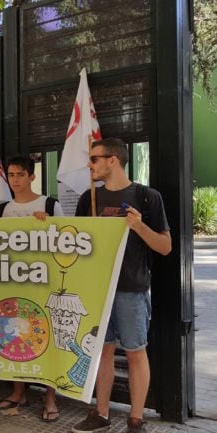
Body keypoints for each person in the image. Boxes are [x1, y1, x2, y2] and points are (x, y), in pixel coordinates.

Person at [71, 138, 171, 433]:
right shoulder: (87, 198)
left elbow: (165, 247)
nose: (89, 165)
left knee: (135, 352)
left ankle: (135, 421)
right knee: (102, 352)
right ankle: (101, 414)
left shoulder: (147, 196)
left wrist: (139, 226)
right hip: (98, 289)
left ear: (112, 160)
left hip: (132, 289)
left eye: (94, 159)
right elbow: (74, 244)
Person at [0, 155, 63, 422]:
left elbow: (67, 240)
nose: (15, 180)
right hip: (13, 282)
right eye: (11, 175)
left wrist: (49, 223)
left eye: (20, 175)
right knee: (13, 334)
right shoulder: (3, 209)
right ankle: (18, 392)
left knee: (45, 338)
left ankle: (50, 396)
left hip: (44, 282)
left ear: (32, 176)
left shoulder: (50, 204)